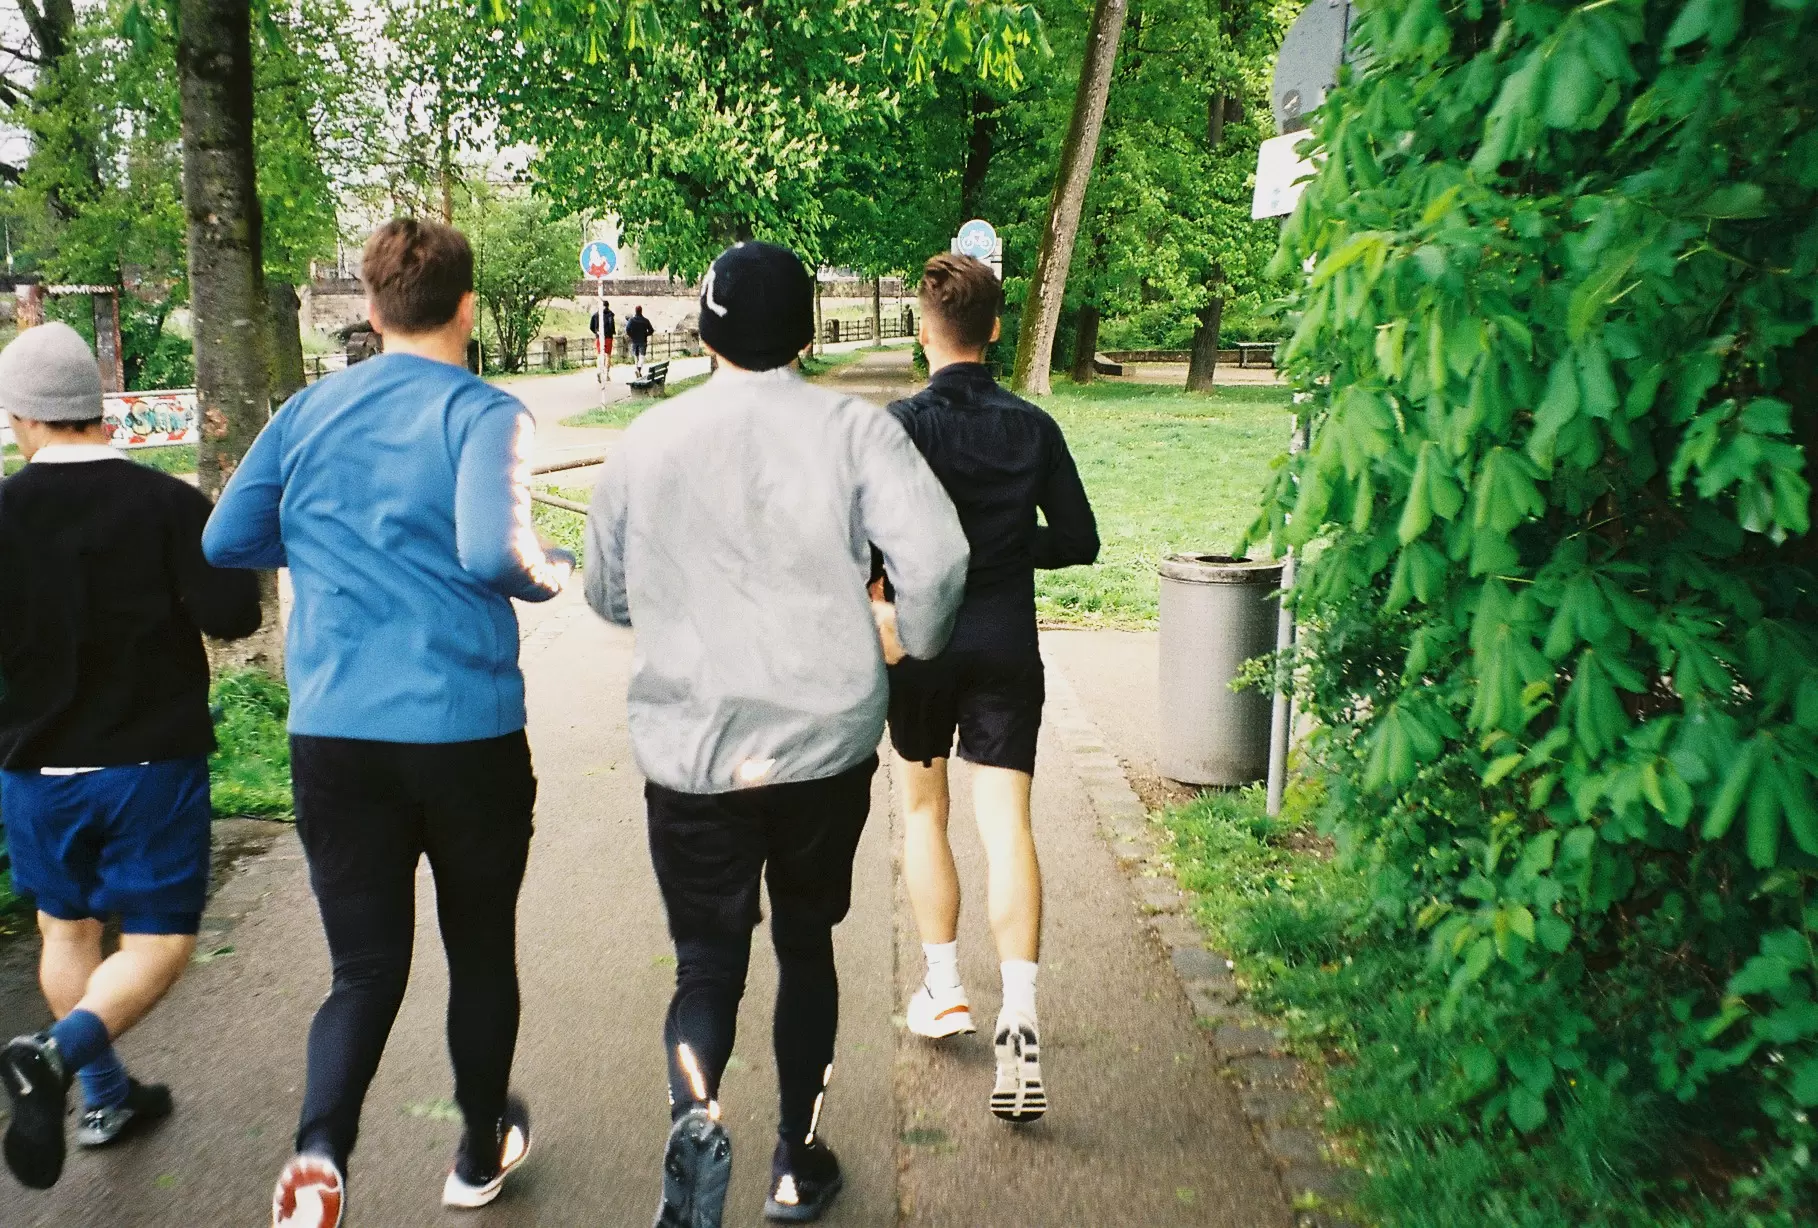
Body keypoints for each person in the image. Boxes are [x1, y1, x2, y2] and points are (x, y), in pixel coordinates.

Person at [585, 241, 968, 1228]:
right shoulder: (858, 434)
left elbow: (607, 591)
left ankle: (696, 1111)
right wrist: (906, 637)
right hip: (820, 749)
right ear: (807, 334)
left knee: (706, 961)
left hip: (695, 750)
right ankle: (796, 1161)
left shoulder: (646, 443)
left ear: (705, 329)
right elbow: (938, 557)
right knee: (806, 942)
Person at [203, 219, 575, 1228]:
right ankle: (474, 1152)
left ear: (370, 310)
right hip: (465, 733)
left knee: (363, 968)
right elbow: (492, 551)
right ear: (465, 306)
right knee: (479, 947)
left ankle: (320, 1158)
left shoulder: (307, 411)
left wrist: (330, 539)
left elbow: (226, 535)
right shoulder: (486, 412)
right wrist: (554, 573)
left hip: (336, 737)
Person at [0, 323, 262, 1191]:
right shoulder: (167, 503)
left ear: (20, 419)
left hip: (36, 772)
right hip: (150, 766)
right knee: (156, 944)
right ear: (98, 407)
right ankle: (59, 1053)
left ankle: (106, 1095)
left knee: (64, 929)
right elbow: (233, 616)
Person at [875, 253, 1099, 1124]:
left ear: (922, 332)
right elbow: (1078, 539)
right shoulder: (1034, 428)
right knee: (1008, 824)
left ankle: (943, 989)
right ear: (997, 330)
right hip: (1008, 641)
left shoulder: (898, 427)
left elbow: (866, 547)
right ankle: (1021, 1011)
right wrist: (1005, 551)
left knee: (924, 811)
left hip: (924, 646)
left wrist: (894, 586)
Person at [624, 304, 654, 374]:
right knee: (642, 356)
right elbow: (651, 330)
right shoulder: (645, 320)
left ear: (635, 311)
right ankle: (639, 368)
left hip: (634, 340)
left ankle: (636, 369)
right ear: (641, 311)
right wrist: (646, 334)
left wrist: (631, 335)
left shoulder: (631, 320)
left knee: (636, 355)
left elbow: (627, 329)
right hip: (643, 340)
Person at [591, 300, 617, 380]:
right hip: (608, 337)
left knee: (600, 354)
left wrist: (596, 333)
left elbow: (591, 327)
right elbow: (612, 326)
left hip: (599, 337)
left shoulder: (596, 315)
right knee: (608, 355)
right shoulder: (610, 314)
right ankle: (607, 374)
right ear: (608, 306)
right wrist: (612, 332)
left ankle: (599, 370)